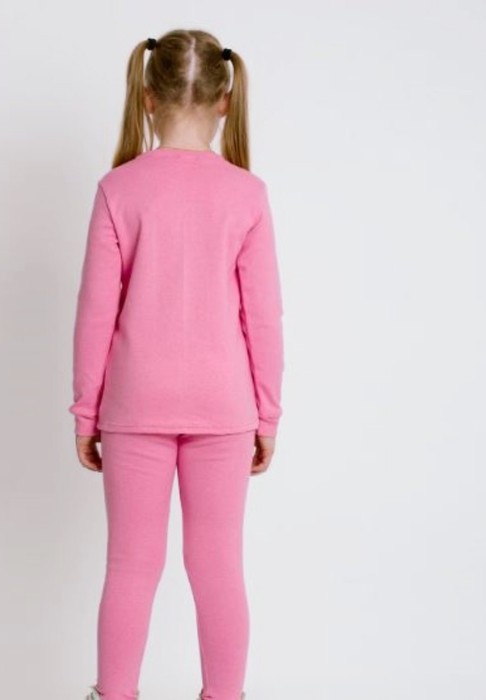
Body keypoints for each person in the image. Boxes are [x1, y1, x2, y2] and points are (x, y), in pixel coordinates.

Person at [69, 28, 284, 700]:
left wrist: (85, 412)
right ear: (223, 101)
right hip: (224, 406)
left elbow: (95, 312)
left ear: (147, 96)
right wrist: (267, 415)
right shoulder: (247, 194)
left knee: (131, 567)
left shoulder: (119, 189)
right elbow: (263, 316)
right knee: (218, 567)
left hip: (135, 404)